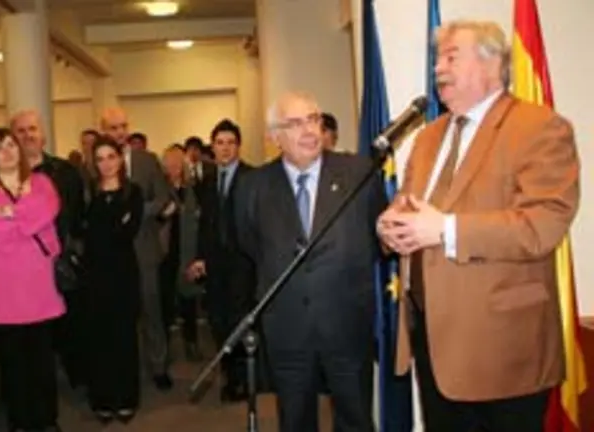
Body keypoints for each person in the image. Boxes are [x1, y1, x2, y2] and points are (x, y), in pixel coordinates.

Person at [377, 20, 580, 432]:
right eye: (437, 59)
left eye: (451, 56)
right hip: (432, 340)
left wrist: (446, 230)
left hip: (502, 351)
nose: (438, 68)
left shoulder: (539, 128)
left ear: (493, 64)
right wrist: (391, 227)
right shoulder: (428, 137)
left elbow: (542, 224)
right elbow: (411, 211)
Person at [235, 92, 384, 432]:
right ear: (274, 136)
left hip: (346, 321)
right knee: (295, 419)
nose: (309, 130)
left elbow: (376, 239)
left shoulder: (359, 172)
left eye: (314, 119)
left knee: (356, 417)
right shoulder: (253, 186)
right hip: (286, 326)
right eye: (296, 123)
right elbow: (249, 245)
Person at [0, 127, 65, 432]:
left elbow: (48, 211)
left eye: (11, 145)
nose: (7, 152)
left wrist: (11, 213)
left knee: (41, 360)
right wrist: (23, 215)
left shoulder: (41, 182)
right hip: (2, 287)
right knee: (12, 363)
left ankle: (47, 421)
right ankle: (20, 422)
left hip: (38, 285)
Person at [10, 110, 88, 395]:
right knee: (33, 333)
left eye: (33, 129)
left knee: (70, 325)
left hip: (61, 262)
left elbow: (79, 216)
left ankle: (78, 378)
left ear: (43, 135)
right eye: (21, 131)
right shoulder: (4, 175)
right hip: (21, 267)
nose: (28, 135)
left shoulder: (65, 172)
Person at [100, 107, 173, 390]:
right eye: (113, 128)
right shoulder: (95, 165)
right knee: (118, 315)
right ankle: (123, 370)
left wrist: (132, 211)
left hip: (143, 247)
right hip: (112, 253)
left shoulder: (147, 160)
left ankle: (158, 366)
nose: (119, 133)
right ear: (103, 130)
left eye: (123, 126)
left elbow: (163, 199)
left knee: (151, 310)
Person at [186, 119, 256, 401]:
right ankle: (228, 372)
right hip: (215, 263)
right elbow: (205, 225)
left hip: (243, 262)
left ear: (238, 146)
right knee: (217, 319)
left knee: (239, 319)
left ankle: (240, 380)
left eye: (230, 143)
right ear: (212, 147)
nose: (225, 149)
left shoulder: (253, 178)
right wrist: (200, 258)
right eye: (220, 143)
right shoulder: (206, 182)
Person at [83, 138, 143, 423]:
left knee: (124, 338)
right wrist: (110, 226)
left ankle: (126, 398)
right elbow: (83, 232)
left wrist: (104, 230)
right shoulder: (88, 194)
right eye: (100, 159)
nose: (106, 163)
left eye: (111, 157)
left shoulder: (134, 193)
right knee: (98, 339)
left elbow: (126, 232)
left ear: (121, 159)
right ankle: (102, 399)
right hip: (93, 275)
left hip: (123, 275)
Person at [159, 144, 203, 362]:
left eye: (177, 163)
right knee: (165, 304)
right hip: (166, 253)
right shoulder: (160, 190)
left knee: (189, 302)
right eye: (170, 164)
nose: (174, 168)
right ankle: (164, 348)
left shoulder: (192, 189)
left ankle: (191, 342)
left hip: (188, 251)